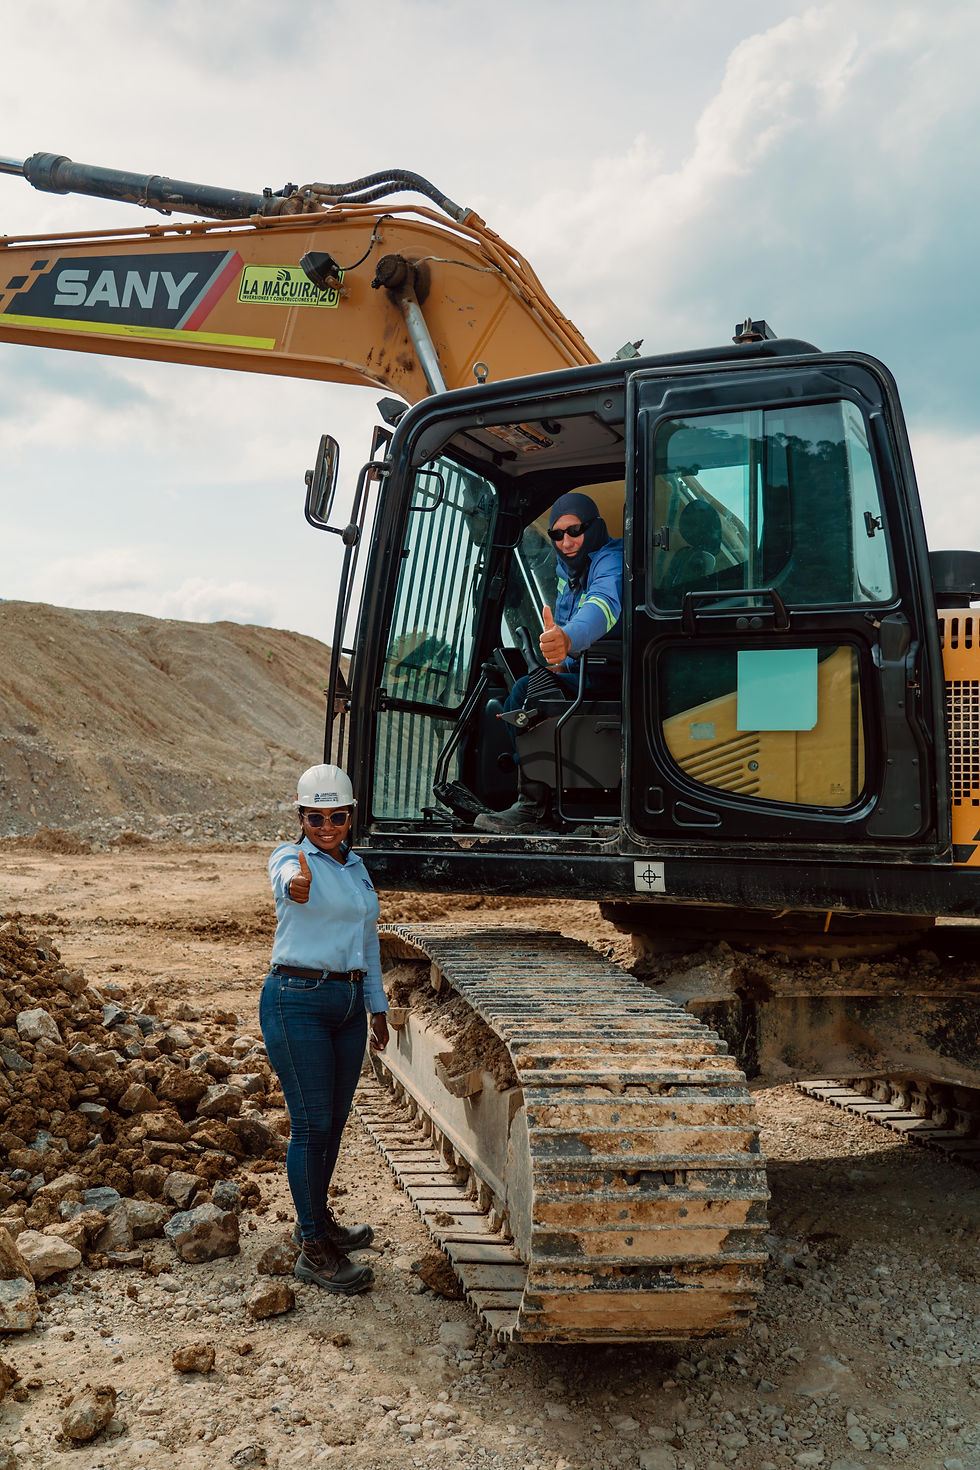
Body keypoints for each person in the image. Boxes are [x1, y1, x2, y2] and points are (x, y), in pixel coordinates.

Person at [260, 762, 389, 1295]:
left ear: (349, 816)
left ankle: (317, 1220)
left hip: (348, 1003)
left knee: (333, 1122)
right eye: (315, 817)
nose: (326, 826)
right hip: (298, 1000)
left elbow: (370, 941)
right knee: (310, 1125)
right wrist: (296, 883)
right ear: (301, 815)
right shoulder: (291, 858)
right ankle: (313, 1249)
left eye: (336, 816)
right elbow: (286, 883)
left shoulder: (357, 867)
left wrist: (376, 1006)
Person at [475, 492, 623, 833]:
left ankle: (534, 807)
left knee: (530, 694)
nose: (566, 542)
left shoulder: (609, 561)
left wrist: (568, 639)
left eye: (575, 531)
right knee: (526, 690)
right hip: (588, 667)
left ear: (595, 527)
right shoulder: (568, 569)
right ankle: (542, 797)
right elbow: (567, 616)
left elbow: (602, 607)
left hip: (613, 673)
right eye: (557, 535)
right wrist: (561, 663)